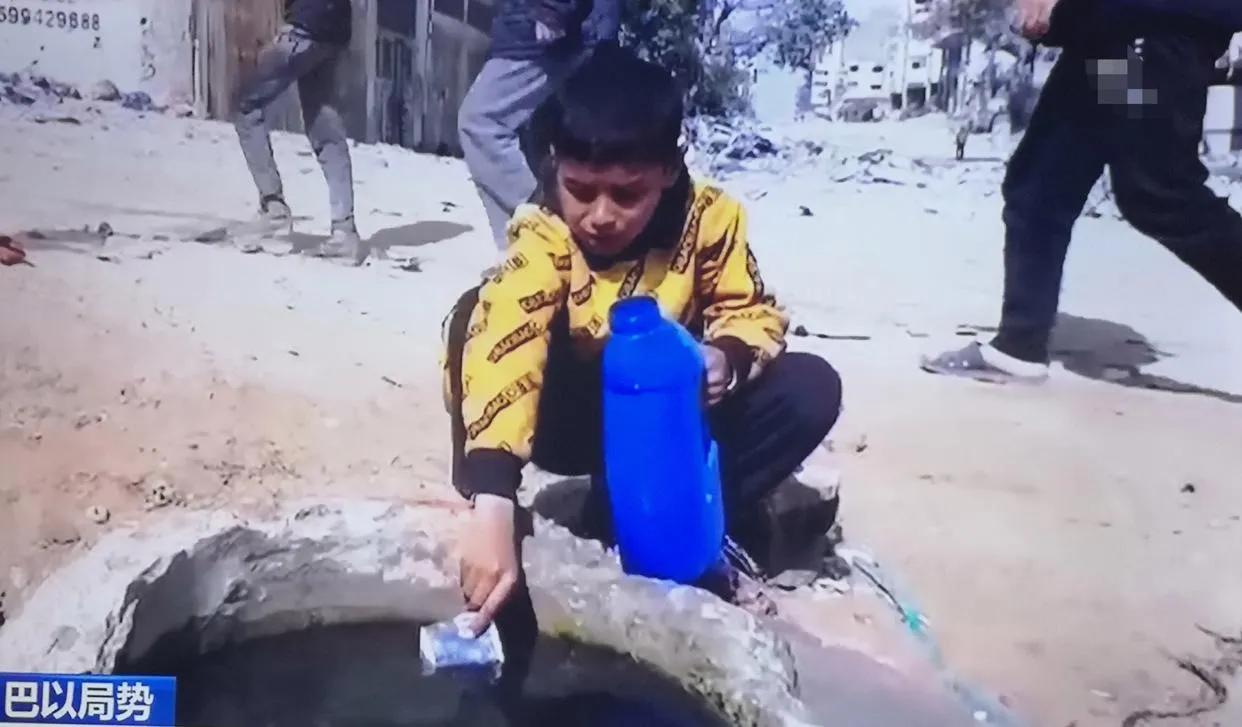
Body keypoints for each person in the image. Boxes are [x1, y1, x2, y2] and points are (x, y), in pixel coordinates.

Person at [442, 46, 843, 633]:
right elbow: (509, 336)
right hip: (570, 417)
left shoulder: (709, 221)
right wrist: (496, 501)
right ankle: (484, 498)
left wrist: (726, 358)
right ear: (554, 166)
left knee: (811, 388)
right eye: (580, 189)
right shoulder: (545, 230)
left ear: (669, 171)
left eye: (626, 195)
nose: (600, 216)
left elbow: (751, 310)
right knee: (474, 316)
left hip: (662, 430)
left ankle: (656, 518)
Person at [923, 0, 1242, 382]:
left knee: (1160, 191)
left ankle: (1020, 341)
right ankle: (1019, 345)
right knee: (1043, 183)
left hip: (1149, 28)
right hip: (1113, 39)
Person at [458, 0, 621, 249]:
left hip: (542, 32)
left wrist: (552, 9)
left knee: (482, 123)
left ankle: (548, 227)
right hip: (543, 29)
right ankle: (523, 253)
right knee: (532, 140)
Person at [233, 0, 366, 264]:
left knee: (247, 108)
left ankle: (273, 209)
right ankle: (344, 231)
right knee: (324, 126)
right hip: (336, 31)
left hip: (304, 26)